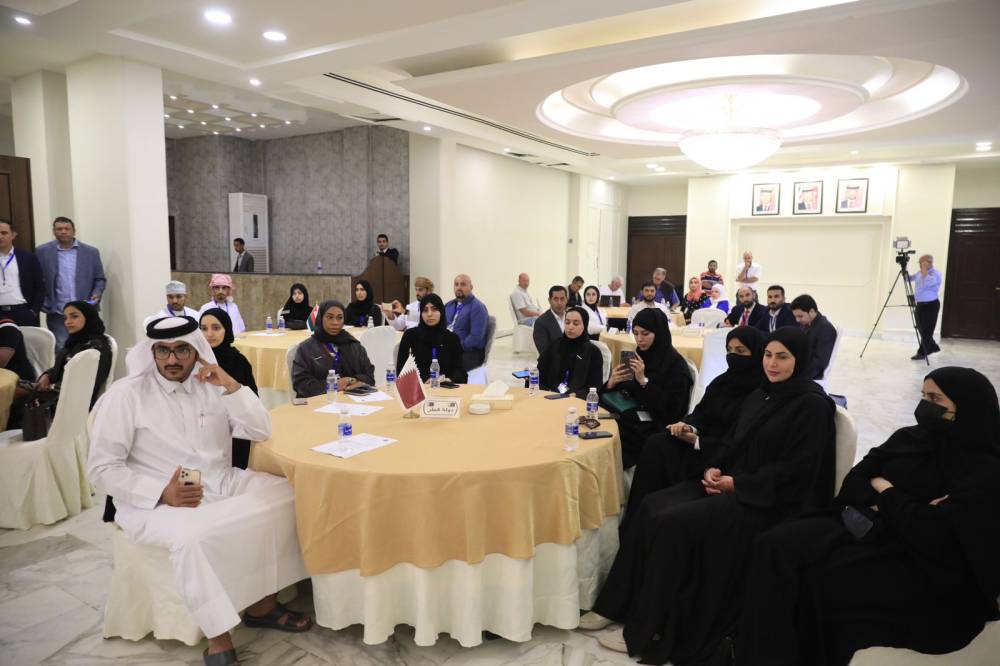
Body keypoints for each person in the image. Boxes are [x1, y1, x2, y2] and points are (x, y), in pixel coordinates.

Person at [579, 327, 836, 664]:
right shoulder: (763, 394)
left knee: (673, 523)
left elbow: (798, 472)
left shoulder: (812, 405)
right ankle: (617, 605)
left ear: (799, 359)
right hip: (732, 483)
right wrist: (714, 467)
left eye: (782, 357)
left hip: (768, 502)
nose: (772, 364)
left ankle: (646, 628)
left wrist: (736, 484)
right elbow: (733, 441)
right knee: (651, 506)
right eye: (768, 355)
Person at [87, 316, 311, 666]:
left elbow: (260, 430)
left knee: (290, 495)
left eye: (182, 350)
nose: (172, 360)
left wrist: (231, 386)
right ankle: (218, 637)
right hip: (155, 499)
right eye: (163, 351)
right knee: (193, 537)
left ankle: (262, 604)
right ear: (151, 352)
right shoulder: (126, 395)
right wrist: (161, 492)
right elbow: (101, 468)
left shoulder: (213, 383)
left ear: (196, 350)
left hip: (220, 481)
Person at [738, 367, 1000, 666]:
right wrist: (903, 504)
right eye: (923, 396)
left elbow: (935, 534)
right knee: (772, 545)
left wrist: (885, 490)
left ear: (966, 407)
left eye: (935, 399)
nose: (925, 405)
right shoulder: (909, 438)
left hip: (921, 564)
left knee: (818, 580)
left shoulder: (983, 470)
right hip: (863, 526)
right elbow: (855, 480)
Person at [630, 327, 765, 519]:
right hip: (698, 441)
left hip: (718, 455)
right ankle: (634, 517)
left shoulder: (759, 394)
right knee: (656, 443)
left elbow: (738, 439)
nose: (733, 356)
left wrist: (697, 441)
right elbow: (701, 412)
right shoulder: (723, 381)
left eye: (740, 351)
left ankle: (655, 512)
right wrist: (688, 426)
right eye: (729, 350)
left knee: (663, 458)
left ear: (756, 353)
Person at [602, 308, 692, 469]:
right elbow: (626, 389)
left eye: (645, 334)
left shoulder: (676, 366)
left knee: (610, 436)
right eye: (636, 333)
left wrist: (644, 382)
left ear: (659, 333)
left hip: (654, 425)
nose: (639, 339)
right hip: (630, 414)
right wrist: (611, 383)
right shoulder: (640, 355)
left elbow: (673, 410)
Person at [36, 216, 107, 349]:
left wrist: (97, 293)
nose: (63, 232)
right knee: (63, 347)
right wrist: (44, 302)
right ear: (54, 231)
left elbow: (99, 279)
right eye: (59, 229)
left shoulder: (91, 252)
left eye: (67, 229)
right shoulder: (42, 252)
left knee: (87, 347)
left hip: (84, 310)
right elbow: (37, 280)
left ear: (74, 231)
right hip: (58, 312)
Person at [200, 308, 259, 470]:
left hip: (235, 432)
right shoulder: (195, 361)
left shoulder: (239, 362)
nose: (209, 334)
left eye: (216, 328)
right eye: (203, 329)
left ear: (226, 329)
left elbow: (254, 402)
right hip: (202, 433)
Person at [33, 301, 113, 409]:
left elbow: (87, 384)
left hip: (73, 404)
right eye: (65, 318)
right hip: (60, 395)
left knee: (19, 393)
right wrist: (47, 375)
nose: (68, 322)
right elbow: (64, 365)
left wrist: (53, 390)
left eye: (74, 316)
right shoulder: (75, 341)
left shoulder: (96, 348)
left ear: (88, 317)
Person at [292, 300, 375, 398]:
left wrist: (352, 380)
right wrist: (333, 385)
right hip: (319, 402)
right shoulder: (306, 348)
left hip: (353, 401)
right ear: (321, 318)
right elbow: (301, 384)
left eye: (339, 318)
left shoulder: (354, 345)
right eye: (330, 317)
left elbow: (370, 377)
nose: (335, 322)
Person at [396, 294, 467, 384]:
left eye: (434, 309)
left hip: (444, 388)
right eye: (425, 310)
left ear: (441, 311)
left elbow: (460, 372)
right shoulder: (410, 336)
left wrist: (448, 380)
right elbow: (401, 370)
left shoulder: (452, 338)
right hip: (417, 389)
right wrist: (421, 383)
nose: (429, 314)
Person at [536, 306, 603, 398]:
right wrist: (532, 377)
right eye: (567, 322)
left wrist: (575, 395)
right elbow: (541, 373)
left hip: (576, 400)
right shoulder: (555, 345)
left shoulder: (593, 352)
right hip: (550, 396)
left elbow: (595, 386)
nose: (570, 327)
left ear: (585, 325)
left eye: (576, 323)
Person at [0, 220, 45, 326]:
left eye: (4, 233)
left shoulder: (28, 257)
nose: (0, 236)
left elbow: (39, 286)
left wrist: (33, 311)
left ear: (13, 235)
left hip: (22, 312)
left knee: (25, 337)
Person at [444, 274, 490, 371]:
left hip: (469, 352)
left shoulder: (478, 307)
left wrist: (455, 346)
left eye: (463, 284)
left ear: (471, 287)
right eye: (456, 284)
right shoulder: (448, 305)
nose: (459, 287)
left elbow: (475, 337)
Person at [791, 294, 838, 380]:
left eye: (800, 316)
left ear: (811, 311)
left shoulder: (825, 328)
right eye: (795, 316)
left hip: (810, 373)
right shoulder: (808, 323)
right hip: (802, 366)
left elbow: (820, 361)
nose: (797, 320)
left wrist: (799, 376)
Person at [907, 253, 943, 360]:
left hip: (931, 306)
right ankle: (932, 347)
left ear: (929, 262)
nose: (920, 264)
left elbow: (929, 283)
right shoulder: (919, 273)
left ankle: (922, 352)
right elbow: (908, 279)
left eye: (922, 262)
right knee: (920, 328)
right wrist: (905, 271)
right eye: (919, 262)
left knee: (927, 330)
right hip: (920, 305)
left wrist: (925, 273)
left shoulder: (936, 274)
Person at [533, 285, 569, 356]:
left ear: (566, 300)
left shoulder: (573, 318)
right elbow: (544, 351)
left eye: (562, 299)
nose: (559, 302)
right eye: (555, 299)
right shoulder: (541, 322)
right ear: (549, 300)